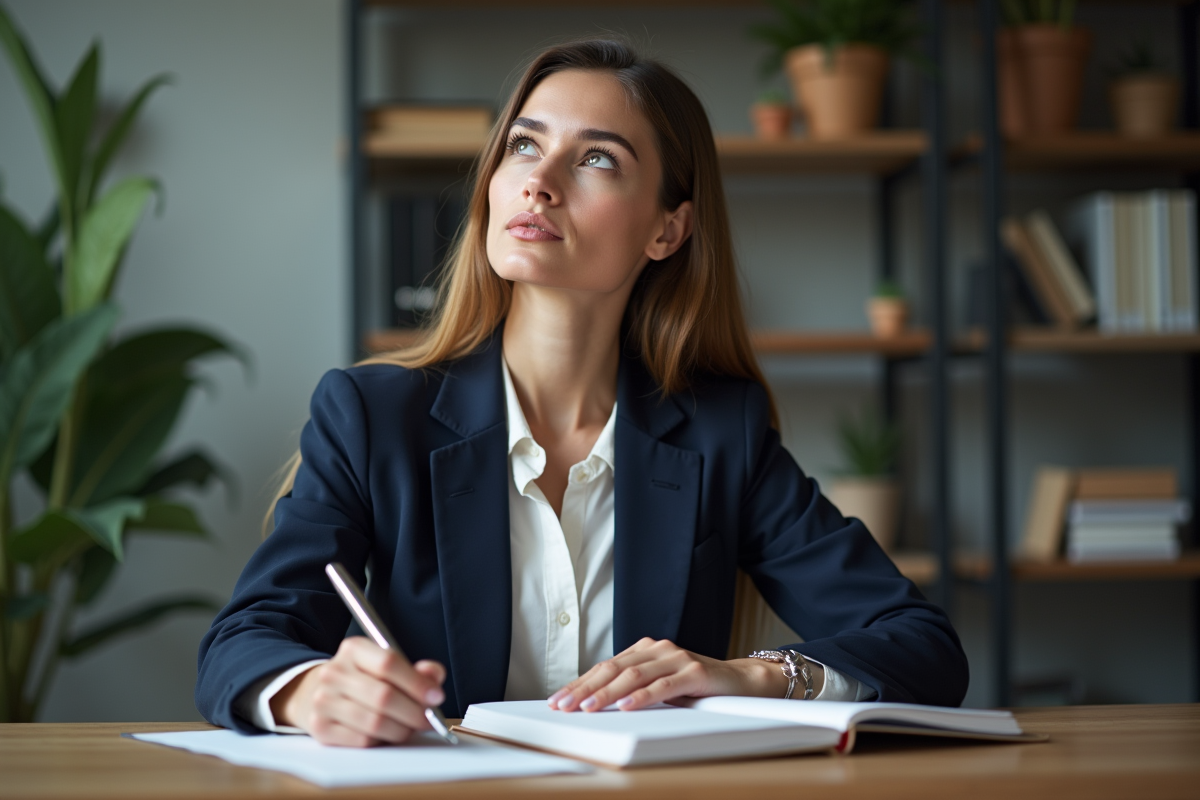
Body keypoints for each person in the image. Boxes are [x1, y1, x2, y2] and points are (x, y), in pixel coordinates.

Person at [196, 38, 968, 748]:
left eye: (596, 159)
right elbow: (245, 639)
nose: (539, 180)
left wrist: (756, 673)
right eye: (524, 145)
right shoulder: (370, 417)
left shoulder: (719, 431)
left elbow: (920, 644)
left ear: (667, 229)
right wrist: (308, 691)